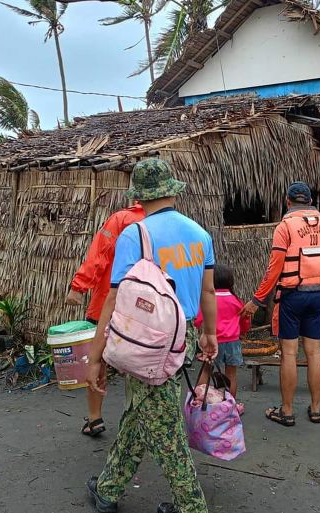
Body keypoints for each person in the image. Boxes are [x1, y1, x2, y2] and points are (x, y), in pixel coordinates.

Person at [85, 158, 218, 513]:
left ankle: (192, 506)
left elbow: (114, 297)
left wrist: (95, 356)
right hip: (185, 335)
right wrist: (209, 333)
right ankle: (108, 489)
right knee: (140, 410)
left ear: (140, 196)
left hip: (148, 342)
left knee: (165, 428)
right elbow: (208, 292)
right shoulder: (200, 233)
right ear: (171, 190)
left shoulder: (135, 234)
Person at [241, 181, 320, 426]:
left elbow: (275, 268)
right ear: (311, 201)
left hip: (292, 296)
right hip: (318, 294)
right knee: (314, 352)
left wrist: (257, 300)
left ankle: (287, 410)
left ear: (287, 201)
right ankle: (315, 409)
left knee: (289, 354)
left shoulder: (285, 227)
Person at [66, 201, 145, 437]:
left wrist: (78, 287)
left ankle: (94, 418)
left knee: (97, 359)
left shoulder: (121, 219)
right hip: (146, 308)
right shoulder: (165, 224)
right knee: (142, 361)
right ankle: (138, 419)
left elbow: (100, 253)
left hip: (109, 302)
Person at [195, 263, 250, 415]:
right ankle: (230, 407)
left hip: (214, 343)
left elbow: (198, 320)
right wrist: (243, 332)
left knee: (206, 371)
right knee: (231, 374)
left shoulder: (209, 300)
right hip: (233, 342)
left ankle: (199, 402)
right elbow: (245, 320)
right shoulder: (236, 300)